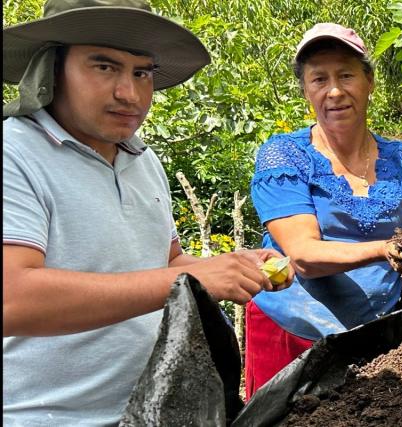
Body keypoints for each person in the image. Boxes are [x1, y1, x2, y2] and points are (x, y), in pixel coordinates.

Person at [2, 0, 293, 425]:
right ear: (51, 67)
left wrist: (231, 266)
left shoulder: (141, 158)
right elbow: (12, 297)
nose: (130, 93)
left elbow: (165, 261)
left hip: (155, 409)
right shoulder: (15, 152)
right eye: (104, 67)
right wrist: (192, 278)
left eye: (142, 73)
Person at [244, 23, 402, 398]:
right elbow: (304, 257)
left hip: (378, 334)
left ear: (369, 82)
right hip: (293, 333)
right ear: (306, 91)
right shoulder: (285, 156)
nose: (334, 91)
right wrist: (385, 249)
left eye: (346, 75)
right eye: (319, 79)